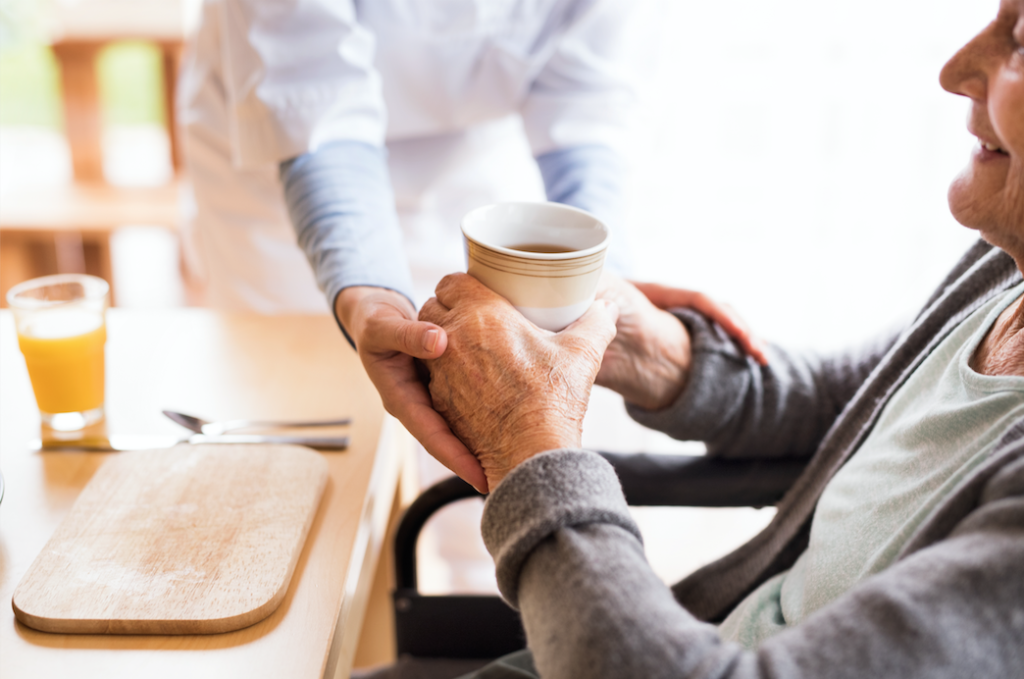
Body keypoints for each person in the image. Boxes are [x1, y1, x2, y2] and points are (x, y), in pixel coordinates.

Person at [415, 0, 1024, 675]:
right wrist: (657, 350)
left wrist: (527, 439)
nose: (955, 69)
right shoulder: (1007, 265)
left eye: (1021, 39)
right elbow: (839, 407)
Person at [176, 0, 764, 501]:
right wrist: (366, 293)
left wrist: (597, 275)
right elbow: (311, 92)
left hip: (474, 142)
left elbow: (589, 95)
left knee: (491, 436)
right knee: (311, 433)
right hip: (285, 146)